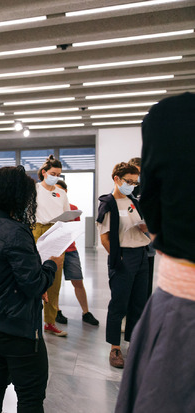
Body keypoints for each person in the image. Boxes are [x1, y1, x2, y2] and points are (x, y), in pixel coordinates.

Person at [116, 92, 195, 412]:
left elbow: (153, 208)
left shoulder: (172, 116)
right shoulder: (112, 202)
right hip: (143, 264)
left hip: (180, 299)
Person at [0, 166, 60, 413]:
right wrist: (50, 264)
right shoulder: (16, 231)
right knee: (30, 393)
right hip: (16, 326)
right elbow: (33, 284)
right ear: (18, 197)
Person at [97, 162, 149, 369]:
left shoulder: (132, 200)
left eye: (135, 183)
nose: (132, 186)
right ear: (117, 179)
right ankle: (115, 348)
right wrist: (118, 259)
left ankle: (134, 343)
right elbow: (105, 238)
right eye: (129, 181)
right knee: (119, 304)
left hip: (141, 255)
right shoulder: (108, 204)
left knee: (138, 303)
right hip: (124, 257)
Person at [33, 155, 69, 337]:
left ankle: (50, 322)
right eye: (53, 173)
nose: (56, 176)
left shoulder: (61, 193)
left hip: (57, 231)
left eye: (59, 174)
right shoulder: (34, 189)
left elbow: (67, 214)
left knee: (54, 279)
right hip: (37, 230)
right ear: (44, 172)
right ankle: (30, 320)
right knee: (33, 274)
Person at [54, 180, 99, 326]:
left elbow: (75, 229)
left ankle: (86, 312)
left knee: (77, 281)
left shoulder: (73, 209)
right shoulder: (48, 209)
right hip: (55, 250)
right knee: (54, 284)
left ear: (66, 192)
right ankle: (56, 311)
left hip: (70, 249)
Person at [128, 157, 156, 299]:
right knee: (129, 282)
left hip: (147, 244)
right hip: (129, 245)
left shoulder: (149, 188)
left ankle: (145, 310)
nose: (138, 177)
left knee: (146, 284)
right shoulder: (125, 190)